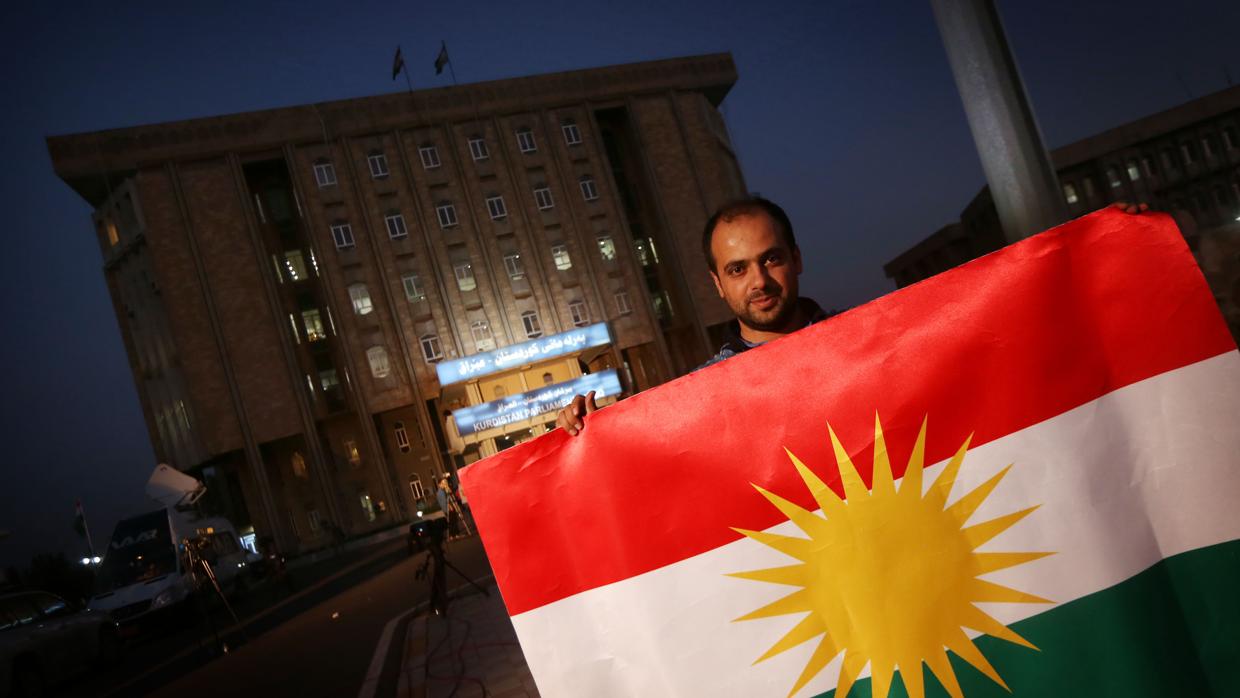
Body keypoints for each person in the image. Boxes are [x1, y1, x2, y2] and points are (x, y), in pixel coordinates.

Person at [556, 196, 828, 436]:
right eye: (737, 269)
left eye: (771, 259)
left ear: (797, 258)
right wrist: (583, 433)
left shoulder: (865, 342)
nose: (759, 281)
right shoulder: (698, 397)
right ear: (718, 284)